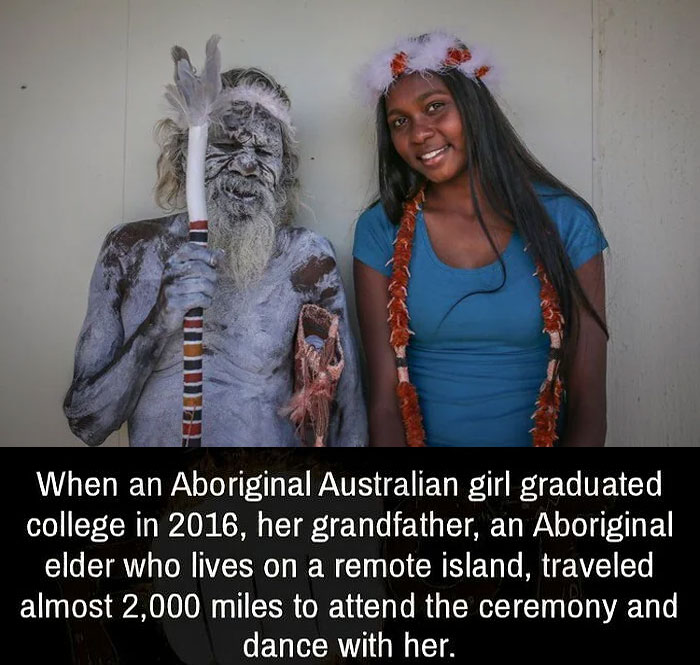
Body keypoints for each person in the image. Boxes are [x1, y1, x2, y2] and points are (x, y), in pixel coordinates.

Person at [64, 47, 366, 447]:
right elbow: (87, 423)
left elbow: (346, 415)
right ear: (185, 156)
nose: (245, 164)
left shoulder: (306, 259)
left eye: (262, 151)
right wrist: (159, 320)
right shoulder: (130, 251)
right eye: (224, 145)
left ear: (283, 173)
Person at [353, 32, 607, 447]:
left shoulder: (565, 222)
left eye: (435, 107)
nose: (419, 133)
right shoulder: (382, 229)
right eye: (400, 121)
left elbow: (589, 402)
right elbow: (383, 402)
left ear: (474, 109)